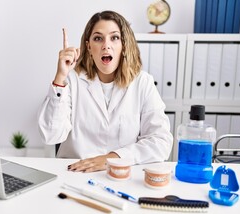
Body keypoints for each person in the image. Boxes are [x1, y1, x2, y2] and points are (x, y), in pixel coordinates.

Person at [38, 10, 173, 173]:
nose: (106, 45)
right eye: (98, 38)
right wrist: (60, 77)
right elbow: (51, 135)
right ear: (88, 46)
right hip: (74, 173)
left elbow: (161, 142)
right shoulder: (72, 80)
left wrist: (112, 158)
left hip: (121, 174)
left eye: (114, 38)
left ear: (124, 44)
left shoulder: (142, 83)